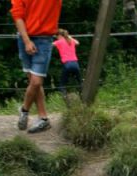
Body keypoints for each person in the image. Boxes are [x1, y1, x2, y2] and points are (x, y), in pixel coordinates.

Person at [10, 0, 62, 133]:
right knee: (34, 82)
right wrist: (27, 41)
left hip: (44, 39)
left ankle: (24, 110)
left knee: (36, 82)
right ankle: (43, 119)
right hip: (24, 37)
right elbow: (18, 16)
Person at [53, 29, 83, 97]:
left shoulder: (59, 41)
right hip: (76, 64)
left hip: (67, 65)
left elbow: (50, 45)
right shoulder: (71, 40)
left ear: (59, 35)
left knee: (62, 85)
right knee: (80, 83)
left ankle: (65, 97)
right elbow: (77, 43)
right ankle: (82, 95)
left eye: (56, 36)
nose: (56, 38)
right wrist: (69, 37)